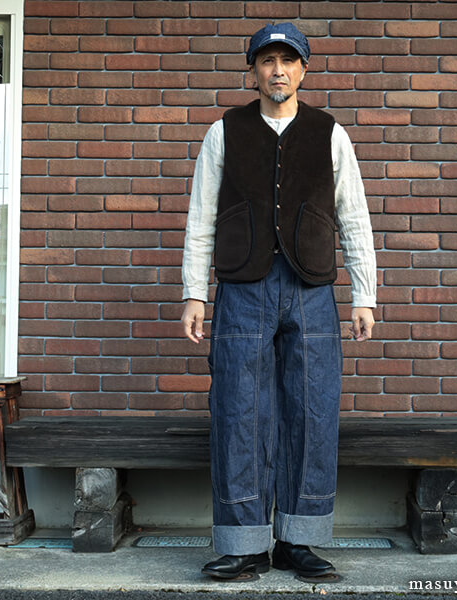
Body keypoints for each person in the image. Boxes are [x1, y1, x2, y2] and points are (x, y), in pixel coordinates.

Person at [181, 22, 377, 580]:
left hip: (312, 290)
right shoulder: (224, 131)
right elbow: (201, 216)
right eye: (267, 61)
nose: (278, 70)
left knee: (313, 412)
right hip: (242, 289)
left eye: (288, 61)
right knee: (238, 411)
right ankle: (243, 544)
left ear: (303, 70)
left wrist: (364, 294)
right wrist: (194, 292)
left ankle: (300, 540)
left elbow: (354, 216)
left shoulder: (330, 133)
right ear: (253, 71)